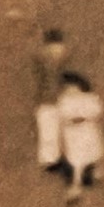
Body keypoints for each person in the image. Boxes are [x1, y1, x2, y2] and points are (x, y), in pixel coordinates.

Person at [56, 74, 104, 200]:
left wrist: (84, 117)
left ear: (80, 86)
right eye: (67, 88)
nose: (70, 91)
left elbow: (96, 111)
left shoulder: (89, 98)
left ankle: (95, 171)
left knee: (93, 153)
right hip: (74, 136)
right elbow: (63, 115)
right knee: (77, 160)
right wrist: (75, 118)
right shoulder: (64, 100)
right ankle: (76, 186)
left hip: (88, 132)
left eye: (73, 87)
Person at [33, 28, 69, 177]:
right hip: (64, 95)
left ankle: (50, 161)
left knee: (48, 129)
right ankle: (66, 157)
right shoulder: (67, 53)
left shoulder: (40, 55)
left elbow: (37, 78)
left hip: (45, 98)